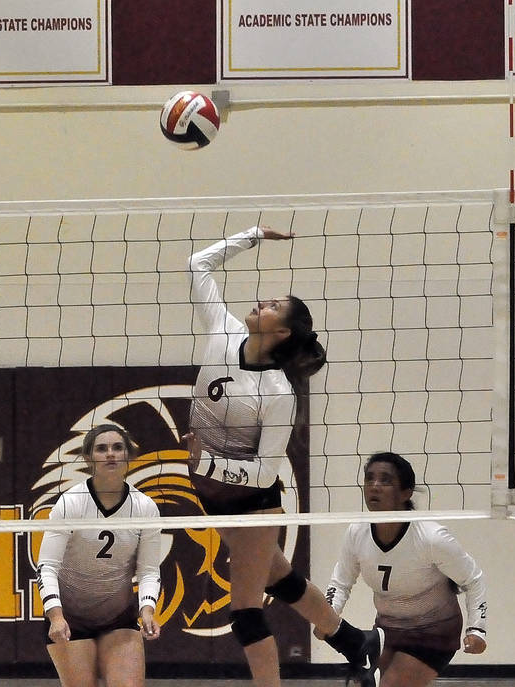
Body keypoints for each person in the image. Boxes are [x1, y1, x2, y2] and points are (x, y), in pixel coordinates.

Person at [182, 225, 381, 687]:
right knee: (281, 579)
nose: (261, 303)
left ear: (282, 330)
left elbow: (265, 472)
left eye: (273, 306)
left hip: (251, 504)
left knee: (245, 610)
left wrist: (207, 462)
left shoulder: (277, 392)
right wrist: (252, 235)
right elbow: (198, 264)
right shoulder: (223, 329)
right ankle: (355, 641)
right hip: (212, 494)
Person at [323, 452, 487, 687]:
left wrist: (477, 629)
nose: (374, 486)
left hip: (434, 634)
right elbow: (341, 582)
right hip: (386, 632)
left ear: (406, 493)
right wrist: (328, 617)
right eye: (369, 479)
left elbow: (474, 580)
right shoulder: (357, 532)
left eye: (385, 480)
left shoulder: (431, 537)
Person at [36, 424, 162, 687]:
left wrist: (147, 610)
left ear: (128, 455)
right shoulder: (71, 502)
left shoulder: (145, 507)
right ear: (88, 458)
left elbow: (149, 570)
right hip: (71, 618)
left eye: (118, 448)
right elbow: (47, 566)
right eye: (101, 449)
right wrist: (56, 617)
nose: (111, 454)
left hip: (118, 618)